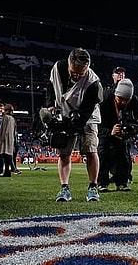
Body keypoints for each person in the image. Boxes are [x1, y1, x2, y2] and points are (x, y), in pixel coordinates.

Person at [43, 47, 103, 202]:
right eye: (73, 71)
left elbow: (83, 116)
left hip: (87, 116)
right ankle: (64, 188)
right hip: (63, 112)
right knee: (64, 152)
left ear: (87, 68)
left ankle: (93, 186)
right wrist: (50, 105)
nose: (76, 75)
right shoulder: (57, 68)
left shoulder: (93, 83)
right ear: (68, 63)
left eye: (80, 73)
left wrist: (69, 126)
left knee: (90, 149)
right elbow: (50, 86)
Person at [97, 78, 138, 192]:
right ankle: (102, 183)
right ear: (115, 94)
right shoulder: (104, 99)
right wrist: (110, 131)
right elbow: (96, 123)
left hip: (122, 131)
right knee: (103, 153)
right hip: (105, 127)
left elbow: (137, 124)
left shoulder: (134, 101)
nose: (123, 102)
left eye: (126, 100)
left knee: (123, 155)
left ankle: (122, 183)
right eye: (120, 99)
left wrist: (127, 131)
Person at [0, 103, 16, 177]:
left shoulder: (5, 117)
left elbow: (2, 129)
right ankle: (8, 171)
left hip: (4, 140)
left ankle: (7, 171)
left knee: (4, 156)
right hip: (10, 139)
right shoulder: (12, 119)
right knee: (7, 155)